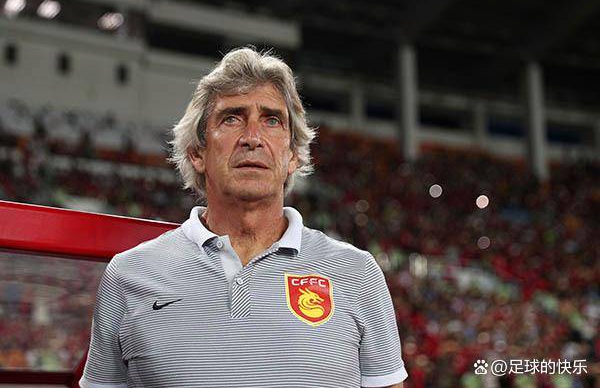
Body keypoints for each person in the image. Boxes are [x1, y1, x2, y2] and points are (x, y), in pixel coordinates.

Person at [79, 47, 408, 388]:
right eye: (232, 118)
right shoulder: (128, 275)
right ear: (197, 153)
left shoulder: (357, 273)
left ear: (292, 156)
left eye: (272, 120)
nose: (252, 138)